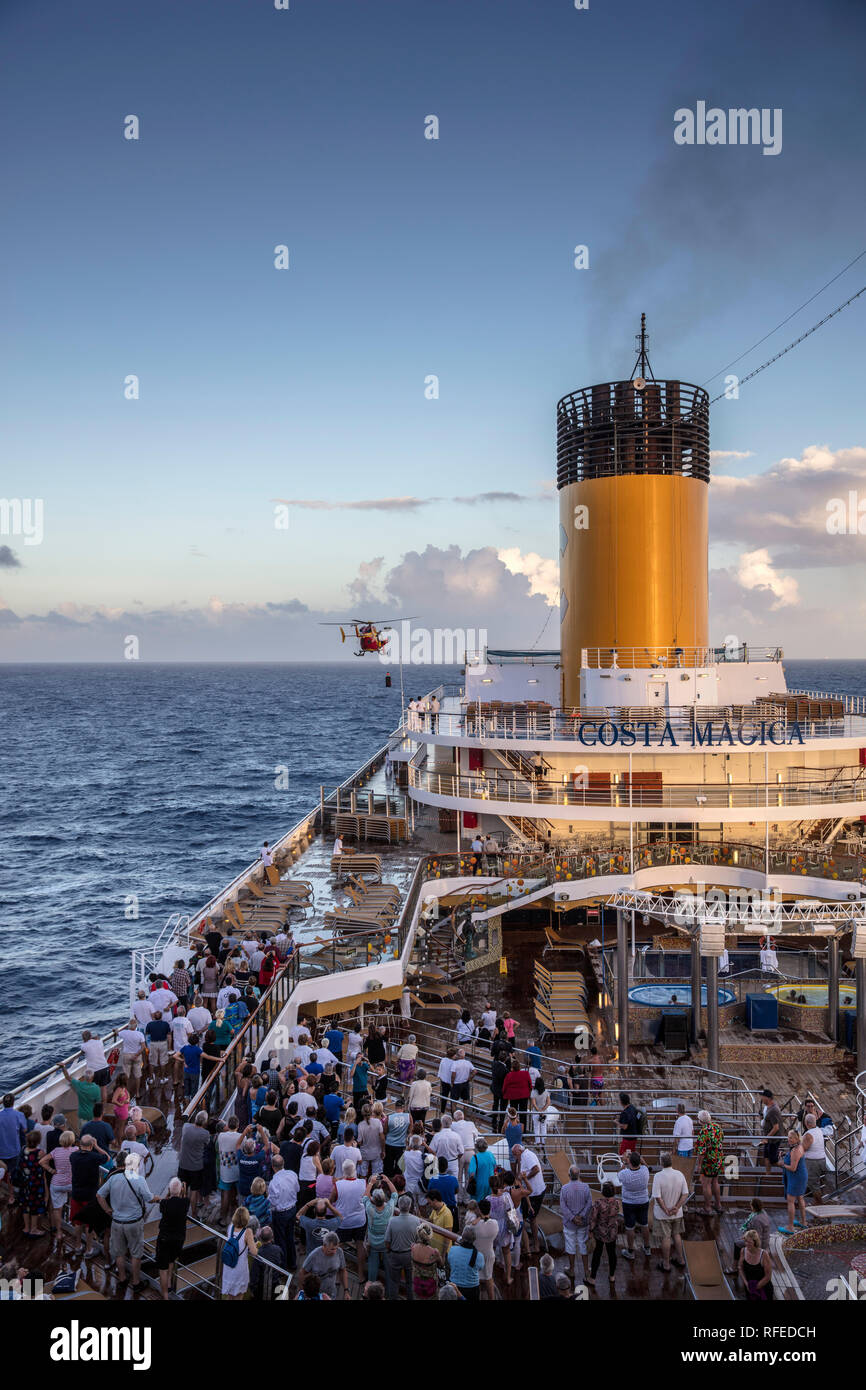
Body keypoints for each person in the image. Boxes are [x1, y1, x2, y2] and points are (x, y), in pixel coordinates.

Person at [97, 1152, 156, 1292]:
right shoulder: (139, 1179)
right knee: (136, 1254)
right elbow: (149, 1198)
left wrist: (107, 1210)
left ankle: (122, 1279)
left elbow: (99, 1195)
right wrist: (159, 1198)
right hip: (134, 1222)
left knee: (119, 1253)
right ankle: (136, 1283)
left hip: (117, 1222)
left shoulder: (113, 1178)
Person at [650, 1153, 689, 1273]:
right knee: (677, 1235)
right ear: (671, 1162)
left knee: (666, 1237)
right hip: (677, 1213)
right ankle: (681, 1260)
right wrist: (677, 1207)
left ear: (661, 1163)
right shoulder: (680, 1174)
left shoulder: (658, 1176)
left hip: (663, 1215)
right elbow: (685, 1194)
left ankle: (666, 1264)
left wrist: (666, 1210)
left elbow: (657, 1197)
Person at [155, 1177, 190, 1299]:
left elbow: (165, 1201)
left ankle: (165, 1295)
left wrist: (170, 1193)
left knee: (162, 1267)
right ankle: (169, 1282)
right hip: (178, 1239)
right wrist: (182, 1190)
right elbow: (184, 1197)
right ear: (181, 1190)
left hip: (165, 1238)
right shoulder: (185, 1202)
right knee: (171, 1260)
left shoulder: (164, 1204)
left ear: (169, 1190)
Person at [559, 1163, 592, 1285]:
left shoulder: (564, 1189)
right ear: (579, 1175)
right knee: (583, 1245)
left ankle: (572, 1270)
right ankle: (586, 1270)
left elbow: (563, 1206)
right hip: (583, 1223)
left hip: (570, 1223)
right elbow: (589, 1204)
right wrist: (581, 1216)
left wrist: (573, 1218)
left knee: (570, 1245)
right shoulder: (586, 1187)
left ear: (569, 1175)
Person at [384, 1193, 420, 1300]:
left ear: (399, 1206)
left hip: (395, 1254)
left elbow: (387, 1240)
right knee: (410, 1282)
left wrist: (389, 1250)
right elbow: (418, 1240)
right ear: (409, 1206)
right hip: (410, 1255)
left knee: (394, 1282)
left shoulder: (392, 1221)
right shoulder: (416, 1220)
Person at [363, 1175, 397, 1284]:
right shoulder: (389, 1209)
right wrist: (387, 1180)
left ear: (373, 1199)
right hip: (386, 1242)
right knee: (388, 1267)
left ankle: (370, 1285)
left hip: (373, 1242)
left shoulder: (369, 1208)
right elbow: (395, 1195)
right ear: (383, 1199)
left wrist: (371, 1183)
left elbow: (365, 1197)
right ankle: (388, 1289)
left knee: (373, 1265)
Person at [177, 1111, 212, 1218]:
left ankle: (181, 1211)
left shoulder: (186, 1127)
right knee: (194, 1191)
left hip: (183, 1164)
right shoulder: (205, 1134)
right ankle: (193, 1213)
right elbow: (207, 1143)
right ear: (205, 1122)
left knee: (183, 1188)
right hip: (196, 1167)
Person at [512, 1143, 545, 1250]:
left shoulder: (527, 1156)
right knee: (529, 1218)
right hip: (532, 1192)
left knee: (529, 1218)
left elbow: (536, 1169)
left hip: (534, 1193)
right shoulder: (524, 1156)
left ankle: (534, 1244)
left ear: (519, 1151)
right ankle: (530, 1243)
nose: (513, 1156)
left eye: (514, 1154)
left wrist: (525, 1179)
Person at [619, 1149, 650, 1260]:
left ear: (630, 1162)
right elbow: (647, 1166)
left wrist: (624, 1163)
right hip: (643, 1201)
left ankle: (631, 1251)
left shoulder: (624, 1174)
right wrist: (643, 1161)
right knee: (644, 1224)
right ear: (639, 1162)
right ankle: (647, 1248)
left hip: (629, 1203)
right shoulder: (645, 1170)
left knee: (630, 1227)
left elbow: (619, 1175)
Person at [586, 1182, 619, 1286]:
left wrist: (590, 1230)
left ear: (603, 1192)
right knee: (612, 1254)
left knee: (597, 1254)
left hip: (600, 1232)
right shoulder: (617, 1202)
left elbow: (593, 1218)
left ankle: (592, 1278)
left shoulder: (598, 1203)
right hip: (612, 1231)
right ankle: (612, 1276)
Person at [465, 1197, 499, 1299]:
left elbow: (465, 1234)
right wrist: (481, 1217)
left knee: (476, 1278)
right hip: (489, 1254)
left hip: (476, 1254)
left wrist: (478, 1218)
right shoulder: (494, 1224)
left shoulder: (473, 1226)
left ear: (479, 1210)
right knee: (489, 1277)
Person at [221, 1206, 258, 1300]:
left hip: (229, 1267)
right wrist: (255, 1243)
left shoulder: (230, 1227)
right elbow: (254, 1252)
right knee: (238, 1297)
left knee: (230, 1296)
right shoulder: (248, 1232)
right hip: (239, 1269)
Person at [17, 1130, 48, 1239]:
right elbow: (45, 1166)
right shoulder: (40, 1153)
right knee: (34, 1206)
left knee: (26, 1205)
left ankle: (26, 1227)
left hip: (24, 1183)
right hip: (35, 1183)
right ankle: (33, 1229)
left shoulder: (23, 1149)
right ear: (38, 1141)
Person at [696, 1109, 725, 1215]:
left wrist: (699, 1165)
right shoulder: (717, 1127)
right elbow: (721, 1139)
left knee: (706, 1184)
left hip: (708, 1161)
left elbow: (701, 1152)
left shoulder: (703, 1132)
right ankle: (718, 1205)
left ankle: (707, 1208)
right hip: (718, 1159)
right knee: (715, 1182)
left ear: (700, 1121)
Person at [779, 1130, 808, 1233]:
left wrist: (783, 1164)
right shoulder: (797, 1147)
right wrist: (785, 1155)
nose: (788, 1139)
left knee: (790, 1201)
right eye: (788, 1137)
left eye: (791, 1137)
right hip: (799, 1177)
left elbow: (792, 1168)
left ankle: (790, 1227)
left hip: (796, 1178)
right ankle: (803, 1222)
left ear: (796, 1139)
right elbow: (792, 1158)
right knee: (800, 1198)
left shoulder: (796, 1150)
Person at [410, 1222, 444, 1300]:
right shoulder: (434, 1252)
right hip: (430, 1285)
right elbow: (441, 1264)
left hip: (417, 1283)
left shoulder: (413, 1248)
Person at [738, 1228, 774, 1300]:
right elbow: (740, 1268)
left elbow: (768, 1276)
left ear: (755, 1242)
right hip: (749, 1287)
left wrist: (755, 1287)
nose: (747, 1244)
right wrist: (746, 1284)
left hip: (764, 1288)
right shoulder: (743, 1251)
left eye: (749, 1242)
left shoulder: (764, 1254)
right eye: (745, 1241)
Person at [447, 1227, 482, 1300]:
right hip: (472, 1289)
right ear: (474, 1239)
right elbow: (480, 1267)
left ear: (462, 1237)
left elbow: (450, 1262)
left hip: (454, 1286)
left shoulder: (452, 1249)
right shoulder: (479, 1255)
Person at [0, 1095, 27, 1179]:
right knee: (12, 1173)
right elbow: (25, 1130)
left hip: (1, 1151)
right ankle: (11, 1188)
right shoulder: (19, 1115)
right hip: (15, 1150)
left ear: (3, 1103)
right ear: (13, 1103)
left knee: (2, 1172)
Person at [801, 1113, 827, 1195]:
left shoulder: (809, 1134)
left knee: (813, 1185)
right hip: (821, 1159)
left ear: (806, 1123)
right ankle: (818, 1201)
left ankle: (818, 1203)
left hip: (813, 1162)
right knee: (816, 1184)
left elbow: (804, 1148)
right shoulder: (819, 1130)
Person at [759, 1088, 783, 1174]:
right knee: (766, 1156)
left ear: (767, 1098)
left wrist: (766, 1138)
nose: (761, 1099)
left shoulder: (774, 1110)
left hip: (773, 1139)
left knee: (773, 1160)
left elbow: (776, 1127)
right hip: (768, 1138)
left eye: (762, 1097)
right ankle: (767, 1174)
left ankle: (787, 1167)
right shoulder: (768, 1107)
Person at [502, 1058, 532, 1123]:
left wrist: (504, 1094)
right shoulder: (525, 1073)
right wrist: (529, 1091)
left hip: (513, 1097)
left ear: (512, 1067)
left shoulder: (509, 1075)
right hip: (524, 1096)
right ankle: (523, 1130)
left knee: (513, 1114)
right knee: (523, 1114)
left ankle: (514, 1127)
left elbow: (505, 1086)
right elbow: (530, 1084)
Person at [467, 1136, 496, 1202]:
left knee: (478, 1202)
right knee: (489, 1201)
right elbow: (495, 1166)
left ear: (476, 1147)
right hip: (490, 1183)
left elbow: (472, 1174)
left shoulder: (475, 1157)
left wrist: (469, 1181)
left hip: (479, 1184)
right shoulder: (490, 1154)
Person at [617, 1090, 640, 1155]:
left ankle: (623, 1165)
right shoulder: (632, 1107)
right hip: (634, 1135)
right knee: (632, 1154)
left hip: (628, 1138)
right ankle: (645, 1165)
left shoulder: (625, 1113)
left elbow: (625, 1127)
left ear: (622, 1102)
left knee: (622, 1154)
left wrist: (617, 1122)